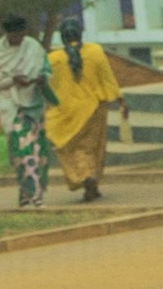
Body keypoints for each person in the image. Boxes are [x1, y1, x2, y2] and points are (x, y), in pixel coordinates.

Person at [47, 20, 131, 201]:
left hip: (66, 112)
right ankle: (91, 178)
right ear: (80, 33)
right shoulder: (95, 51)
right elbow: (107, 78)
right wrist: (120, 100)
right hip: (94, 108)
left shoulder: (53, 59)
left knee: (70, 148)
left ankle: (85, 178)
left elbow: (47, 86)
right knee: (93, 148)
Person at [0, 18, 55, 206]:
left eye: (22, 34)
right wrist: (13, 80)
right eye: (15, 35)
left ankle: (34, 193)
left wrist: (40, 79)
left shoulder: (33, 47)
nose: (19, 38)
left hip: (33, 105)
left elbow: (46, 71)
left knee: (37, 150)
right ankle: (28, 190)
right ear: (8, 34)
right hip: (11, 106)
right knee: (21, 151)